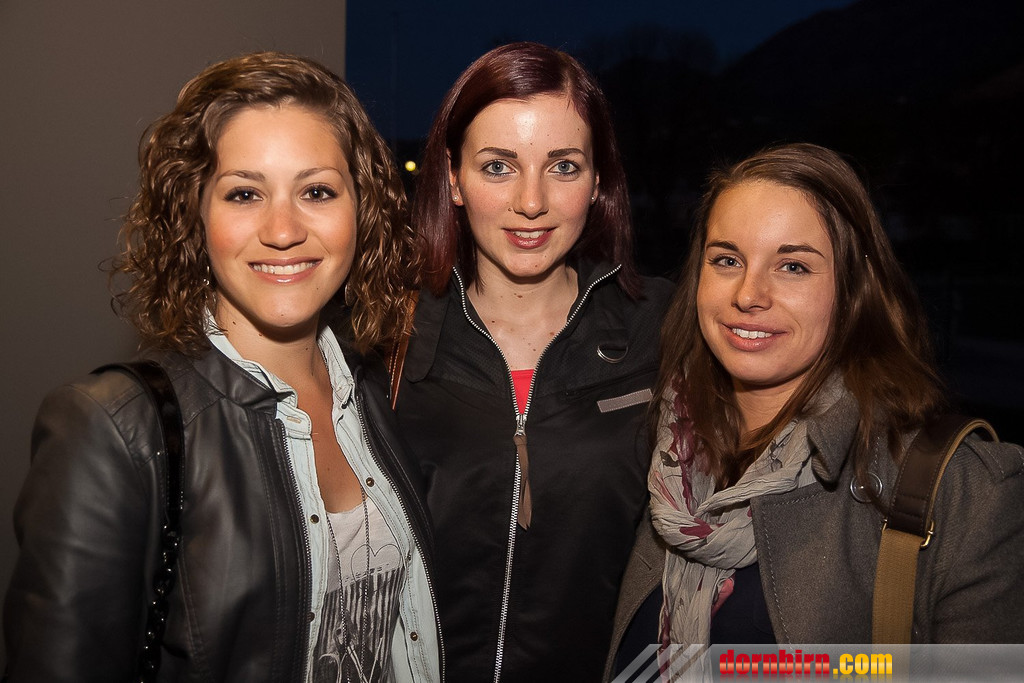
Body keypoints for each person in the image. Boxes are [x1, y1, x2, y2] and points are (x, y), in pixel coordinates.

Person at [3, 52, 441, 682]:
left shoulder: (374, 388)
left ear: (361, 210)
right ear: (196, 215)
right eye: (244, 194)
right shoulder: (114, 430)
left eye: (317, 191)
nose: (283, 230)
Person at [649, 142, 1024, 646]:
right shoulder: (651, 454)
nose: (748, 294)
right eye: (727, 260)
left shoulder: (968, 495)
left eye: (793, 266)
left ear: (853, 292)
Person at [389, 42, 674, 681]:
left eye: (563, 166)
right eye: (498, 166)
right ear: (453, 179)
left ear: (598, 182)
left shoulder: (665, 329)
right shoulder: (382, 338)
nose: (531, 201)